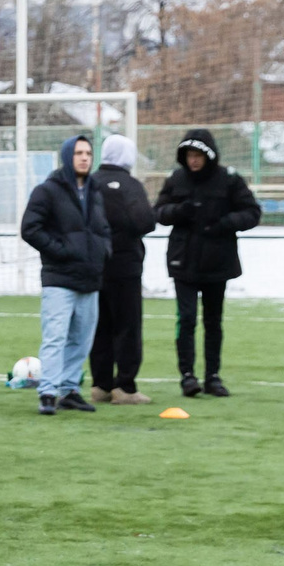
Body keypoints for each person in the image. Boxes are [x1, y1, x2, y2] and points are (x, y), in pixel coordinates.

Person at [154, 126, 260, 399]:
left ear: (209, 155)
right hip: (183, 262)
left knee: (213, 322)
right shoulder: (176, 179)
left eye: (198, 155)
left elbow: (252, 212)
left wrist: (225, 223)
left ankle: (213, 376)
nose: (194, 160)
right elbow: (159, 213)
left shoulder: (229, 180)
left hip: (217, 262)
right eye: (189, 154)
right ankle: (187, 377)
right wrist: (180, 211)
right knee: (186, 319)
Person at [20, 134, 111, 415]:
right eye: (78, 153)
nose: (84, 157)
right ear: (67, 156)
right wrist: (60, 251)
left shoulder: (95, 191)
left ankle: (70, 389)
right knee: (55, 337)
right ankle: (48, 392)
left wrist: (103, 251)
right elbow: (30, 228)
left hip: (89, 278)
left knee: (82, 340)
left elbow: (103, 229)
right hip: (59, 278)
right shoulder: (47, 190)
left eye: (88, 153)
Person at [89, 135, 156, 403]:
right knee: (127, 326)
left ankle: (101, 385)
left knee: (100, 326)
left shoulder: (90, 183)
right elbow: (145, 221)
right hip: (125, 266)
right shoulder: (130, 186)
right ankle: (125, 386)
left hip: (94, 266)